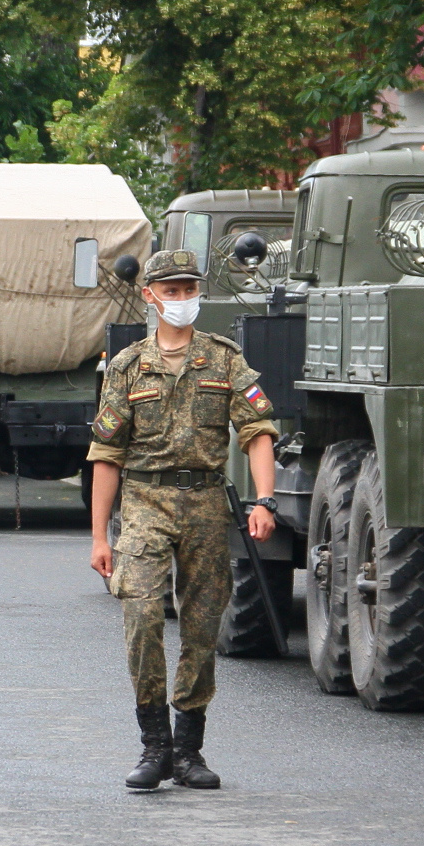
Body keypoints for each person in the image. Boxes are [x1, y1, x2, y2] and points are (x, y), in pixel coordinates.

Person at [86, 248, 280, 791]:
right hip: (145, 503)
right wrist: (100, 537)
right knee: (143, 616)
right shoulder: (127, 366)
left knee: (201, 628)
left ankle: (189, 750)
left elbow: (257, 429)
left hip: (203, 505)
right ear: (150, 296)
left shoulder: (223, 359)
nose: (181, 300)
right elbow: (106, 455)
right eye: (170, 291)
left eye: (189, 290)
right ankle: (155, 746)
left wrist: (265, 499)